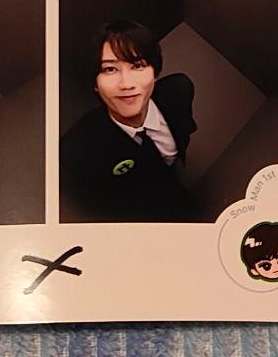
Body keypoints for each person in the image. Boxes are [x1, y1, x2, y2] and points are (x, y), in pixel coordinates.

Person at [60, 20, 199, 222]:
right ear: (95, 84)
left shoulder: (179, 90)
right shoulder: (77, 149)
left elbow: (185, 129)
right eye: (110, 69)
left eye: (137, 65)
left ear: (155, 73)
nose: (126, 84)